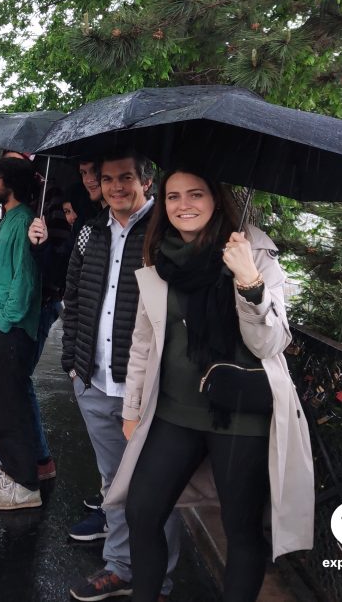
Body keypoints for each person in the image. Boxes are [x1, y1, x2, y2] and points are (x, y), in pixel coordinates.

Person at [105, 168, 314, 601]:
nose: (184, 205)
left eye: (196, 194)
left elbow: (271, 341)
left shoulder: (253, 251)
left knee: (241, 530)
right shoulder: (159, 254)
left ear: (216, 198)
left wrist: (248, 280)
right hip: (174, 410)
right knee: (142, 513)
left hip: (240, 414)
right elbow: (144, 340)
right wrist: (131, 410)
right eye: (173, 196)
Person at [61, 151, 180, 601]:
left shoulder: (164, 232)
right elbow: (73, 294)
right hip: (93, 381)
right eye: (108, 178)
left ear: (145, 180)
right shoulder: (91, 231)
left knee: (157, 487)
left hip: (146, 389)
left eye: (126, 177)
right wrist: (72, 363)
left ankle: (158, 579)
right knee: (113, 484)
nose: (116, 187)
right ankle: (121, 567)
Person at [0, 157, 43, 510]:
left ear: (11, 182)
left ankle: (26, 484)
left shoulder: (26, 220)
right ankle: (11, 474)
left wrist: (3, 321)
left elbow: (25, 281)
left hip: (10, 330)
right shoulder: (6, 220)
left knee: (11, 407)